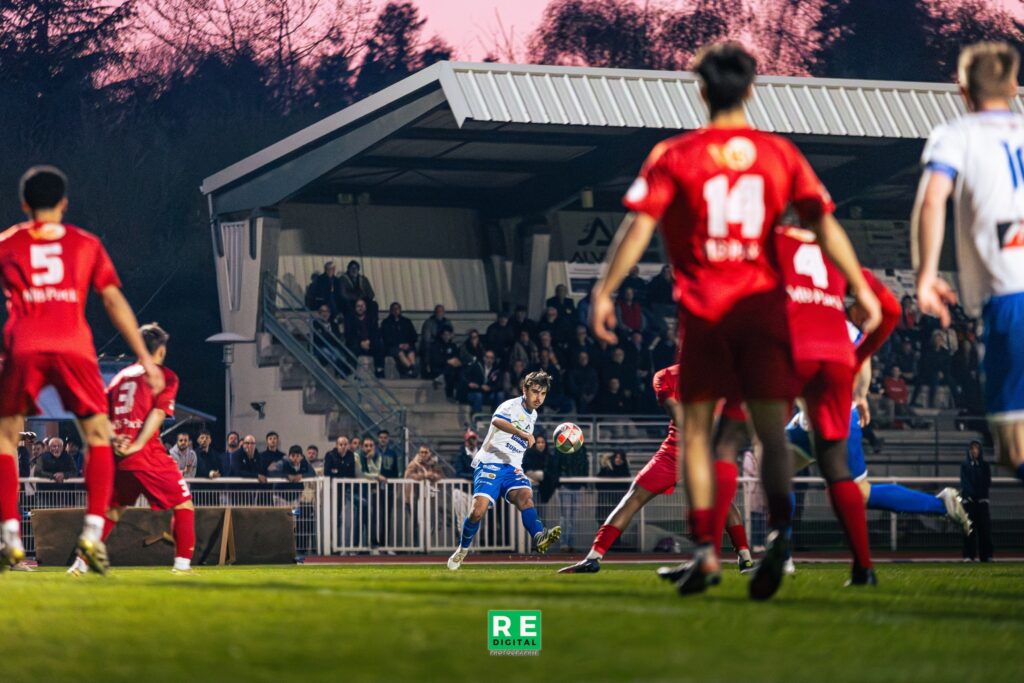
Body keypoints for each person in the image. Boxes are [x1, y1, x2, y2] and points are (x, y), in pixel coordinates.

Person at [589, 44, 879, 599]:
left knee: (699, 436)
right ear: (751, 89)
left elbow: (639, 228)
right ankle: (778, 537)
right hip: (764, 315)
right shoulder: (779, 154)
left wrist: (605, 290)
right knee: (770, 435)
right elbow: (824, 224)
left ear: (701, 89)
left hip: (706, 314)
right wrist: (860, 287)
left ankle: (705, 554)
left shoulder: (675, 155)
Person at [0, 166, 162, 572]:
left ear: (24, 204)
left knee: (5, 438)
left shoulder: (7, 243)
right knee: (97, 435)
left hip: (24, 344)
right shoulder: (86, 244)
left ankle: (9, 537)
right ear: (64, 203)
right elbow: (113, 301)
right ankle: (92, 535)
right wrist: (144, 357)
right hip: (74, 345)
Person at [913, 41, 1024, 488]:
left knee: (1011, 447)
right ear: (1015, 86)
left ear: (962, 88)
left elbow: (932, 200)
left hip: (1009, 299)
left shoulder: (957, 134)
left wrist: (925, 275)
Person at [560, 366, 752, 574]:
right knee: (723, 504)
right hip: (697, 450)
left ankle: (593, 558)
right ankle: (745, 559)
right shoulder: (719, 375)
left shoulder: (665, 376)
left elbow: (678, 414)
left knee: (633, 499)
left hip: (676, 451)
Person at [68, 323, 194, 576]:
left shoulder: (119, 377)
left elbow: (100, 414)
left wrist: (115, 440)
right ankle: (182, 566)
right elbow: (158, 414)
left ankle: (79, 564)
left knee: (112, 511)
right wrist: (137, 444)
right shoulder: (164, 376)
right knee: (184, 505)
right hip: (147, 453)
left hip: (119, 456)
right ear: (160, 350)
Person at [447, 372, 562, 570]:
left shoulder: (533, 415)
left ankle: (539, 535)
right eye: (535, 392)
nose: (538, 398)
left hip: (513, 468)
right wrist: (522, 433)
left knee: (526, 497)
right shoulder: (510, 406)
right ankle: (462, 550)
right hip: (491, 462)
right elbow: (497, 422)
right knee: (477, 512)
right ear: (524, 390)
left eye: (543, 394)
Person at [961, 440, 993, 561]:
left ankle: (986, 555)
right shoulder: (965, 465)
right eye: (972, 449)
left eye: (976, 448)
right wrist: (971, 496)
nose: (974, 451)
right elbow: (965, 483)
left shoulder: (985, 465)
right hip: (969, 502)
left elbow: (986, 482)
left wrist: (980, 496)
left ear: (980, 451)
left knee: (985, 529)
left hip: (982, 502)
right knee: (969, 530)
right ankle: (969, 555)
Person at [345, 298, 384, 377]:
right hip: (357, 344)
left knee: (379, 345)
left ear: (365, 307)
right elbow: (349, 335)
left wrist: (369, 341)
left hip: (369, 343)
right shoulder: (351, 319)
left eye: (362, 306)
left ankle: (379, 370)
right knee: (352, 348)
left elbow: (375, 332)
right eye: (358, 306)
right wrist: (360, 342)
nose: (360, 308)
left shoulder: (371, 319)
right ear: (355, 308)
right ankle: (352, 372)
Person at [380, 302, 418, 377]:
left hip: (407, 345)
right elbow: (386, 337)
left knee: (411, 352)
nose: (396, 311)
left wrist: (408, 344)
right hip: (393, 347)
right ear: (390, 310)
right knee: (400, 353)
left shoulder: (406, 322)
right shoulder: (386, 323)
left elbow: (413, 335)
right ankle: (412, 369)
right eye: (394, 309)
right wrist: (399, 345)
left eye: (397, 309)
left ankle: (411, 370)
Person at [462, 349, 504, 414]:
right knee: (478, 396)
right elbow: (464, 376)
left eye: (491, 358)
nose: (489, 360)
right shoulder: (476, 366)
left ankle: (497, 417)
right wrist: (470, 383)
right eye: (487, 357)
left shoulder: (497, 370)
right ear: (484, 358)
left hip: (489, 393)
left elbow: (499, 385)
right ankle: (477, 417)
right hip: (475, 392)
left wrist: (490, 388)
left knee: (500, 395)